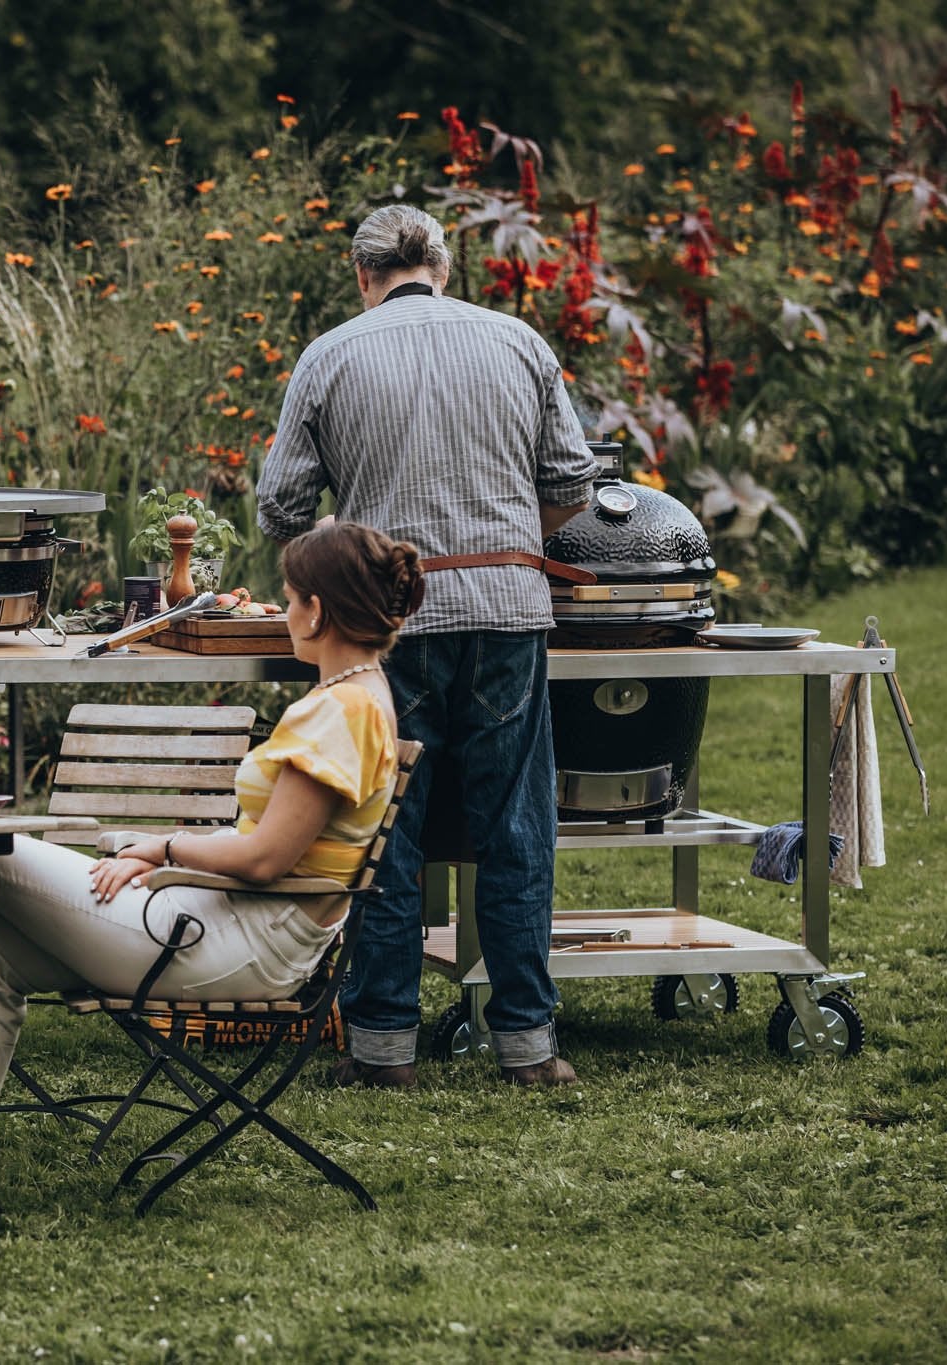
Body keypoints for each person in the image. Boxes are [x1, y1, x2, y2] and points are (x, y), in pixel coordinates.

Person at [0, 522, 420, 1206]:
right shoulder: (361, 695)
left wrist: (162, 850)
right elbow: (273, 852)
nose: (284, 611)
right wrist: (164, 852)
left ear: (317, 610)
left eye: (289, 599)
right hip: (221, 918)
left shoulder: (342, 710)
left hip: (234, 942)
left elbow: (265, 858)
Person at [254, 202, 597, 1089]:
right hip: (508, 611)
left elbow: (284, 513)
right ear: (443, 268)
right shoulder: (517, 341)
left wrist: (356, 535)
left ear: (363, 277)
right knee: (517, 829)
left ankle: (383, 1049)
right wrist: (513, 533)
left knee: (385, 830)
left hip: (385, 625)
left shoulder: (331, 353)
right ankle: (528, 1045)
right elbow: (570, 485)